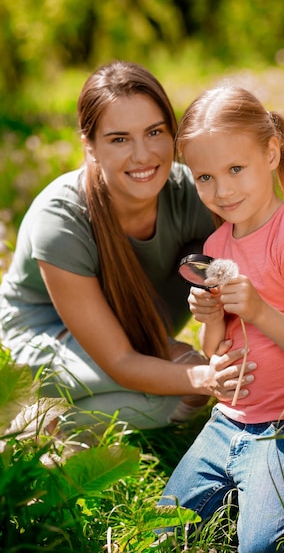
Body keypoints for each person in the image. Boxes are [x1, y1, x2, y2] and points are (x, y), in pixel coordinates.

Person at [0, 62, 256, 432]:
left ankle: (53, 419)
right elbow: (119, 359)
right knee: (180, 389)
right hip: (39, 337)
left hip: (129, 332)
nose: (143, 155)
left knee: (181, 383)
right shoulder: (59, 219)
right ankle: (32, 425)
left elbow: (265, 259)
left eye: (154, 132)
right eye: (119, 139)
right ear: (90, 147)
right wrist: (206, 378)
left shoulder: (193, 193)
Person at [157, 85, 284, 552]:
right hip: (227, 422)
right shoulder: (218, 246)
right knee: (157, 531)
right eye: (204, 178)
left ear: (272, 152)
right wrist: (212, 316)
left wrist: (260, 311)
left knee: (260, 544)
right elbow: (214, 350)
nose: (221, 191)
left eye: (235, 169)